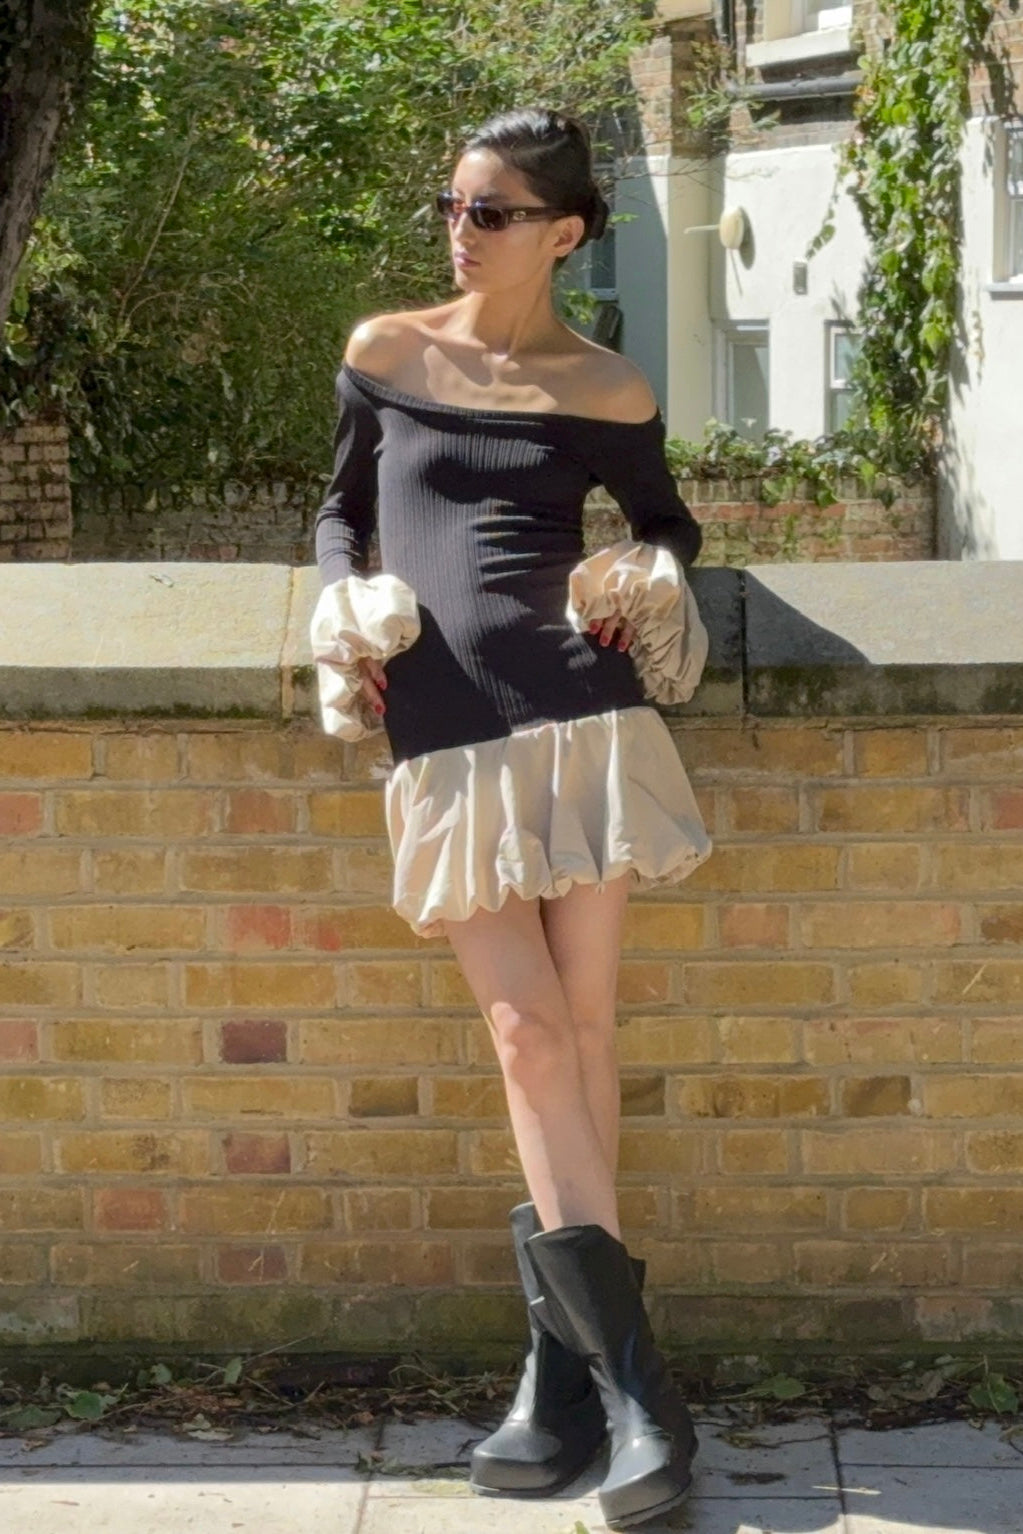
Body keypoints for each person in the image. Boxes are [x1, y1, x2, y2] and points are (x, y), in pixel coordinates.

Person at [309, 106, 713, 1532]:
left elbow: (670, 524)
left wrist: (644, 568)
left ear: (565, 231)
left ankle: (560, 1382)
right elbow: (342, 512)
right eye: (454, 205)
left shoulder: (604, 386)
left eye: (491, 211)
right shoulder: (388, 350)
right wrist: (332, 604)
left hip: (584, 719)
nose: (460, 230)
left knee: (582, 1034)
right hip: (446, 730)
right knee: (530, 1032)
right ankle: (643, 1396)